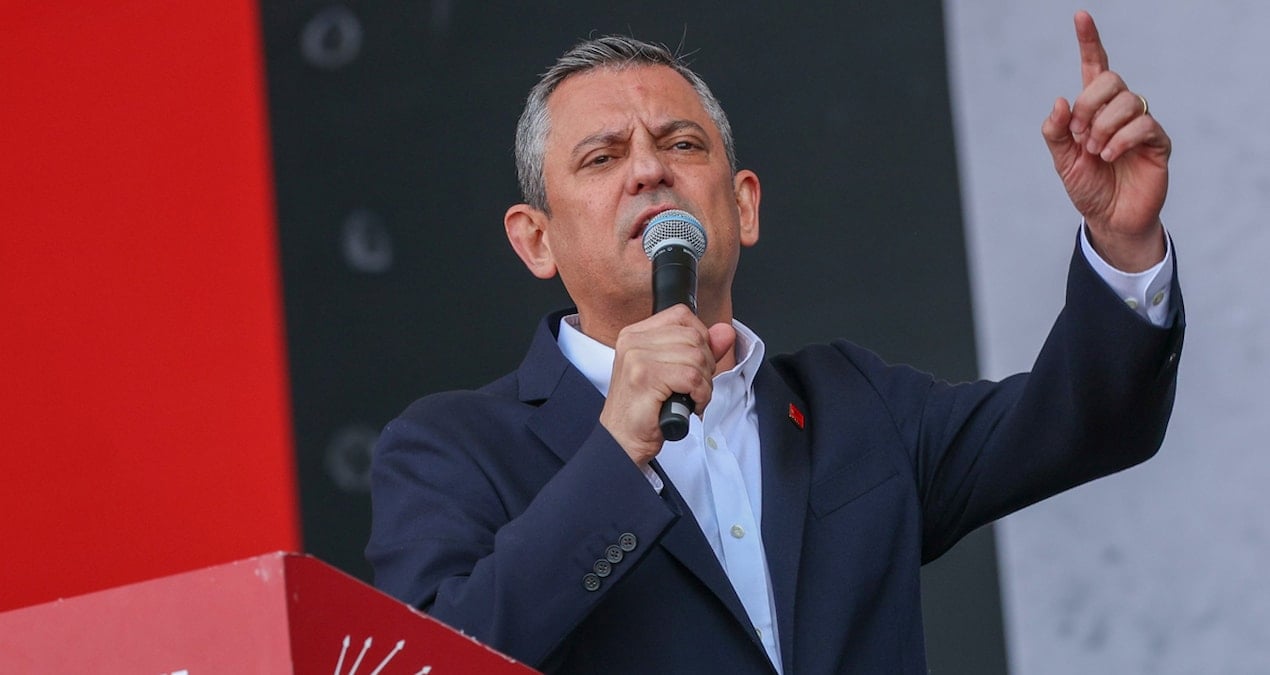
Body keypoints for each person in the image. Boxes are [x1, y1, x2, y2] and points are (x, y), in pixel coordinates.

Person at [366, 11, 1182, 674]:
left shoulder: (853, 407)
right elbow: (427, 663)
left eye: (682, 144)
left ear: (744, 206)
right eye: (603, 157)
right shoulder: (450, 450)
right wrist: (615, 454)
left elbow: (1085, 421)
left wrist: (1123, 244)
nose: (649, 171)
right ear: (536, 240)